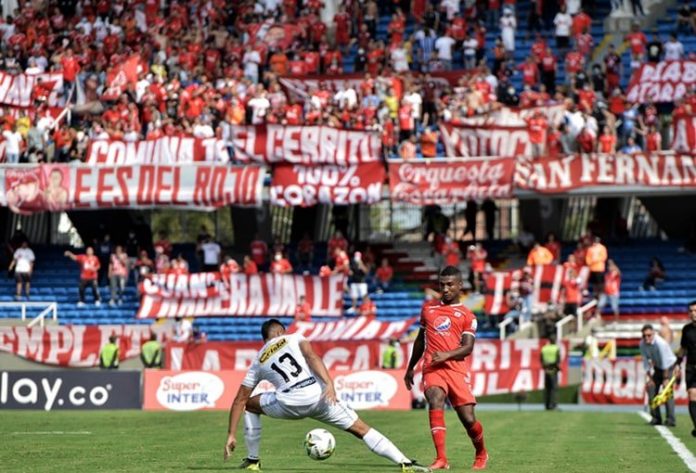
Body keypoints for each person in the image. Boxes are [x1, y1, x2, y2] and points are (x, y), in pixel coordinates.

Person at [223, 319, 430, 473]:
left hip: (288, 404)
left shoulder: (258, 359)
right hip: (319, 397)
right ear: (280, 331)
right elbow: (312, 356)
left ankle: (253, 460)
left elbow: (239, 400)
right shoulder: (294, 337)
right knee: (361, 429)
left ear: (265, 338)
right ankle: (405, 463)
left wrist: (231, 435)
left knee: (250, 405)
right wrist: (329, 384)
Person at [404, 266, 488, 470]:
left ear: (460, 286)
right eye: (442, 285)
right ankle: (441, 458)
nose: (446, 289)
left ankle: (481, 452)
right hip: (433, 368)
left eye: (450, 285)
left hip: (456, 370)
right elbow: (419, 341)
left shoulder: (467, 315)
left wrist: (446, 355)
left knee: (468, 419)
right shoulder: (428, 310)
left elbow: (467, 348)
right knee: (435, 399)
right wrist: (410, 367)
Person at [640, 324, 677, 426]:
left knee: (667, 392)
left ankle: (671, 419)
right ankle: (656, 418)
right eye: (644, 336)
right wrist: (650, 379)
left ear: (653, 334)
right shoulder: (642, 344)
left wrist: (665, 379)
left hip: (669, 367)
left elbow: (665, 361)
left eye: (649, 335)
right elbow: (646, 362)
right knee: (651, 388)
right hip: (658, 367)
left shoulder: (660, 343)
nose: (647, 338)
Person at [675, 301, 696, 436]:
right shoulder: (686, 329)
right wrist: (677, 363)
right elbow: (683, 349)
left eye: (695, 310)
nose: (693, 313)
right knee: (692, 395)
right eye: (691, 311)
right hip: (691, 368)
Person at [540, 334, 561, 410]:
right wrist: (557, 368)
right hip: (553, 369)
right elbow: (558, 360)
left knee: (547, 388)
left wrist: (545, 367)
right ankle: (553, 405)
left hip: (546, 370)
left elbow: (541, 359)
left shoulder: (544, 348)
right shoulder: (556, 348)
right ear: (554, 341)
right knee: (554, 388)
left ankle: (547, 405)